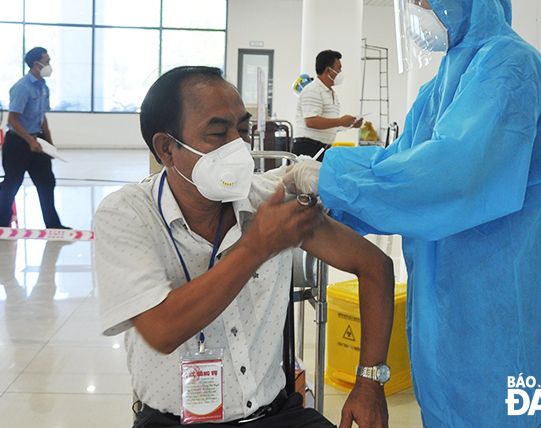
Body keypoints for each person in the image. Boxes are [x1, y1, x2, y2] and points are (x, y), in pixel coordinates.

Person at [284, 0, 541, 427]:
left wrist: (329, 175)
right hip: (447, 303)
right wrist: (323, 203)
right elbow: (403, 163)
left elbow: (450, 176)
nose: (417, 9)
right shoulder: (440, 84)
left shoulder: (511, 69)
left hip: (505, 302)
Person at [94, 66, 394, 428]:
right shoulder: (128, 213)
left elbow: (375, 266)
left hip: (277, 415)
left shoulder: (271, 202)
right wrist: (258, 246)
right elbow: (163, 329)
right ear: (167, 149)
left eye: (243, 130)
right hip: (172, 420)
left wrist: (369, 382)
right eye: (218, 133)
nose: (238, 146)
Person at [0, 47, 68, 229]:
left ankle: (54, 225)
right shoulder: (22, 87)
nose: (49, 65)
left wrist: (49, 144)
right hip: (18, 143)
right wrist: (30, 141)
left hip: (38, 141)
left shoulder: (43, 87)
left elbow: (42, 116)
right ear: (36, 64)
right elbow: (12, 119)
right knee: (12, 183)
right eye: (46, 61)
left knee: (46, 182)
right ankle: (1, 226)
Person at [292, 50, 363, 161]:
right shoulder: (313, 90)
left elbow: (329, 123)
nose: (341, 72)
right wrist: (340, 121)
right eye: (338, 69)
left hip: (323, 148)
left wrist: (350, 124)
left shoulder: (330, 93)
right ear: (328, 70)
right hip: (308, 147)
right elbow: (311, 121)